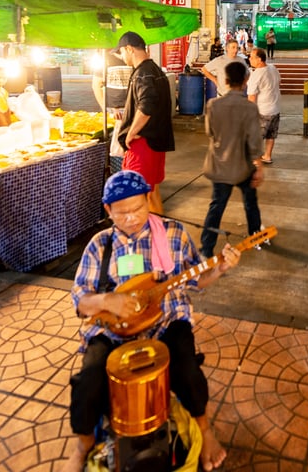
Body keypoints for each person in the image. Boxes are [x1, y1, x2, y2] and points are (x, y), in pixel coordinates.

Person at [64, 170, 240, 472]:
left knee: (186, 368)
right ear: (108, 210)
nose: (132, 218)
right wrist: (109, 301)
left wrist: (221, 268)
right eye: (122, 213)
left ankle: (205, 431)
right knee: (89, 380)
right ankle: (82, 446)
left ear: (149, 199)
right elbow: (80, 300)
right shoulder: (100, 245)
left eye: (138, 208)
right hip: (113, 329)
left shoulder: (173, 234)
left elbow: (197, 279)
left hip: (166, 318)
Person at [201, 62, 265, 259]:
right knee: (250, 203)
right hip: (243, 166)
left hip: (219, 166)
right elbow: (254, 141)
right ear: (245, 82)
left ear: (226, 81)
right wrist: (259, 166)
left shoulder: (213, 105)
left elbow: (209, 132)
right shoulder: (249, 108)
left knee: (216, 206)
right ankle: (255, 237)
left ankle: (206, 249)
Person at [116, 31, 175, 215]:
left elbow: (147, 105)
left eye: (122, 52)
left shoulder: (142, 73)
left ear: (129, 49)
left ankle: (142, 238)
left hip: (143, 145)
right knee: (152, 193)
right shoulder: (156, 71)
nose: (122, 57)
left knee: (135, 195)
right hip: (156, 144)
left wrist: (131, 132)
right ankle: (158, 236)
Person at [247, 47, 281, 165]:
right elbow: (278, 82)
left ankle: (254, 161)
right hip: (275, 108)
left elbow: (251, 97)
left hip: (263, 110)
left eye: (252, 57)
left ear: (259, 59)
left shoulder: (256, 75)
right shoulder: (273, 68)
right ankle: (267, 156)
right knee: (271, 134)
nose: (249, 59)